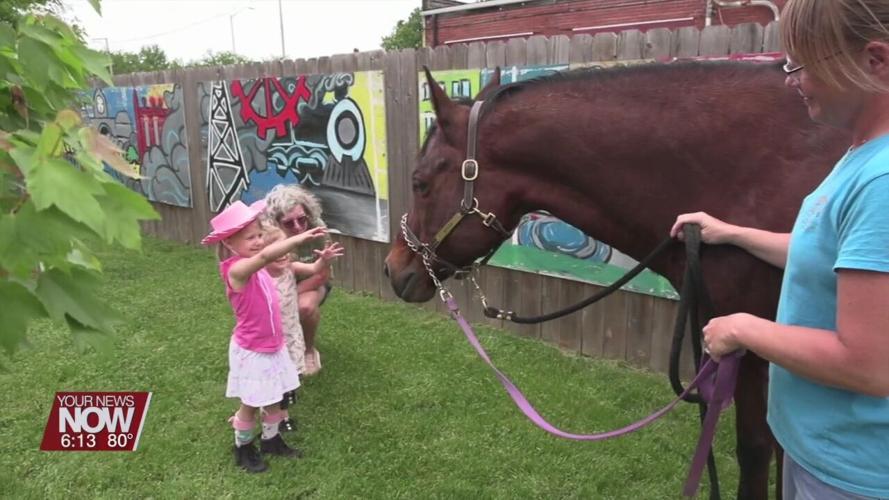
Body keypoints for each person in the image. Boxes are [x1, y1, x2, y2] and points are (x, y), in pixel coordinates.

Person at [671, 1, 889, 498]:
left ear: (874, 60)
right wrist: (732, 233)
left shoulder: (882, 180)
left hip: (852, 471)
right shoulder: (862, 155)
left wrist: (743, 328)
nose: (793, 80)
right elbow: (829, 255)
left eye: (802, 64)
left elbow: (871, 365)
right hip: (820, 449)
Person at [201, 199, 327, 473]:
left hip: (274, 346)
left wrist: (321, 261)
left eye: (259, 235)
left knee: (275, 397)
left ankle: (271, 440)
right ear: (229, 244)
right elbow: (264, 257)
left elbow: (276, 263)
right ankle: (243, 447)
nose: (258, 241)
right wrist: (299, 238)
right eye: (250, 238)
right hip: (253, 350)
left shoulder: (260, 268)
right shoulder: (236, 271)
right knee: (250, 403)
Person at [259, 222, 344, 432]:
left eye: (286, 248)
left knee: (288, 378)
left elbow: (315, 269)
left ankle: (283, 415)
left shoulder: (291, 268)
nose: (283, 255)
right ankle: (266, 414)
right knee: (271, 379)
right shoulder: (259, 276)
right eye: (277, 250)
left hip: (291, 335)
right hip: (270, 338)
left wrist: (324, 260)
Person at [264, 184, 335, 376]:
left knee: (304, 307)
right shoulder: (267, 236)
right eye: (288, 223)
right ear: (275, 223)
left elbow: (322, 275)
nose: (297, 227)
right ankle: (275, 352)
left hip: (311, 281)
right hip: (276, 285)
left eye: (302, 219)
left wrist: (289, 296)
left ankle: (308, 350)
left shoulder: (317, 228)